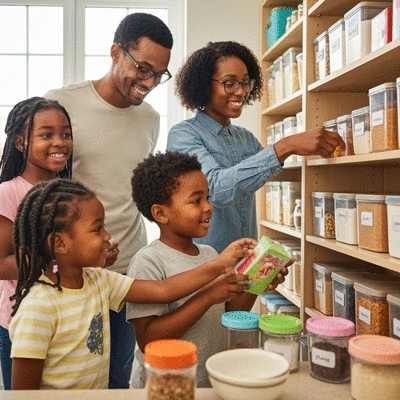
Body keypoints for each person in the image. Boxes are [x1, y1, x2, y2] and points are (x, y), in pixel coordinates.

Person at [9, 178, 254, 390]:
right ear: (60, 243)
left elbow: (163, 289)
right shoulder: (38, 307)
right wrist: (218, 266)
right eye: (97, 229)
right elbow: (24, 393)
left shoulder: (99, 280)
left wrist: (219, 266)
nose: (107, 235)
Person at [44, 13, 174, 388]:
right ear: (116, 51)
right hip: (73, 270)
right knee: (72, 378)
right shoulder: (62, 102)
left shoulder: (150, 118)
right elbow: (45, 190)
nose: (149, 83)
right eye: (143, 69)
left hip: (128, 266)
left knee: (119, 376)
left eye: (158, 75)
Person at [126, 151, 290, 387]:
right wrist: (209, 295)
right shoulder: (148, 263)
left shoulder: (210, 255)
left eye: (208, 198)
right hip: (167, 387)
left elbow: (230, 310)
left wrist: (259, 279)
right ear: (161, 213)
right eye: (196, 201)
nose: (208, 207)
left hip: (208, 381)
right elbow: (148, 340)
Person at [167, 41, 346, 253]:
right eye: (229, 83)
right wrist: (286, 145)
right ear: (204, 85)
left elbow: (267, 173)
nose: (241, 92)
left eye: (245, 83)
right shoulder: (183, 135)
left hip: (246, 263)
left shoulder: (245, 138)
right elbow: (215, 190)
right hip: (204, 268)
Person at [0, 97, 73, 390]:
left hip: (68, 320)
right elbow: (1, 265)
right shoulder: (9, 192)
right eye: (46, 135)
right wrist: (58, 258)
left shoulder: (72, 192)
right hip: (21, 323)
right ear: (20, 142)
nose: (59, 142)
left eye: (66, 134)